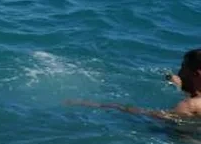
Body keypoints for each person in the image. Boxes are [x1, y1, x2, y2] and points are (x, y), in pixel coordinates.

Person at [70, 49, 201, 120]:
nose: (179, 71)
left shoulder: (189, 105)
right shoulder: (194, 99)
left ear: (196, 74)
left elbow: (157, 115)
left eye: (183, 67)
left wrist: (113, 106)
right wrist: (178, 85)